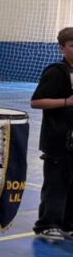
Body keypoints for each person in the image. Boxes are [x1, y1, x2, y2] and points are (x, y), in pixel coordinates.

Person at [30, 27, 73, 242]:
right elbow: (36, 102)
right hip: (58, 138)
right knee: (56, 183)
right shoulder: (56, 72)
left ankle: (68, 223)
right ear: (61, 48)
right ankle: (47, 224)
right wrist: (66, 101)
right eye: (72, 45)